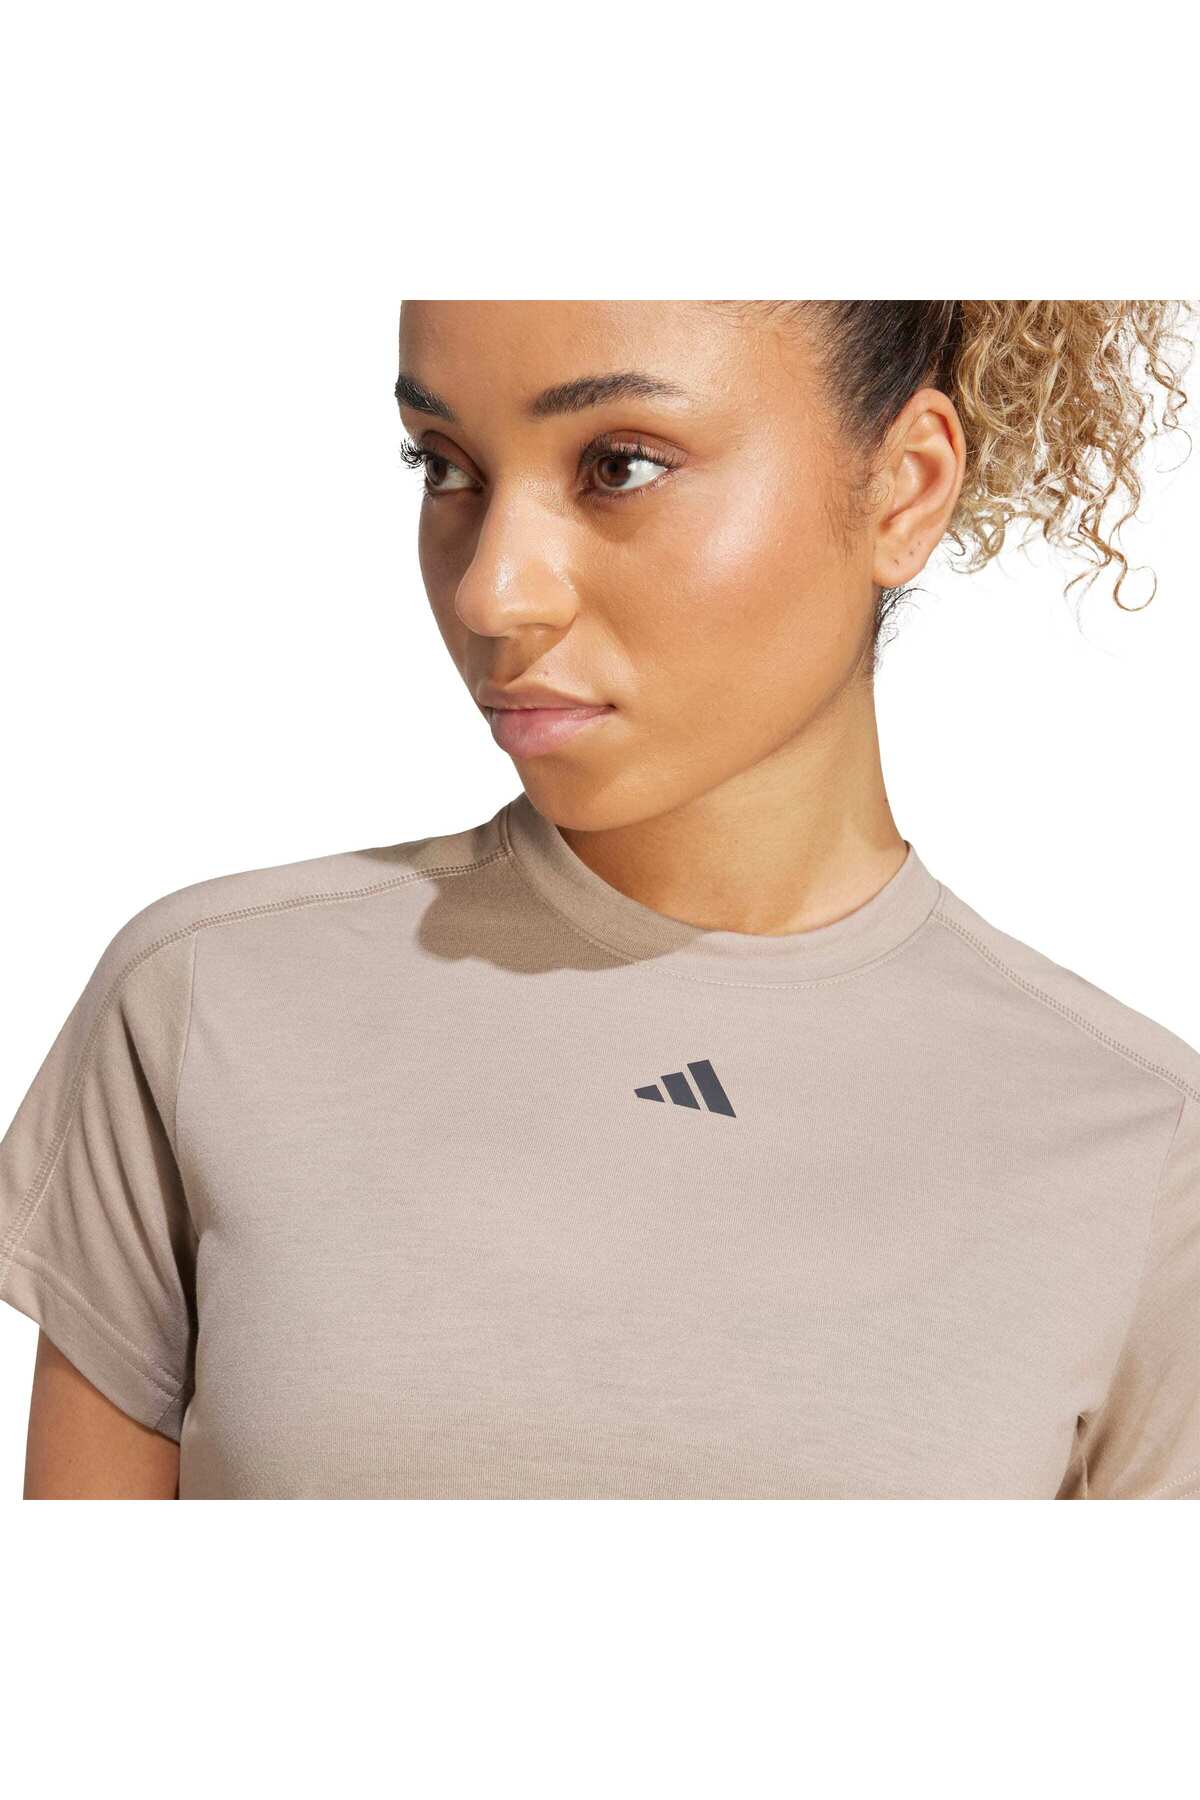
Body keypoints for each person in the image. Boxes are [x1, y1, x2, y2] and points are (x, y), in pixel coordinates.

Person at [2, 298, 1197, 1500]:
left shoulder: (1143, 1157)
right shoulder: (210, 1006)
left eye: (620, 466)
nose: (492, 593)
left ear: (905, 489)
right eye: (446, 467)